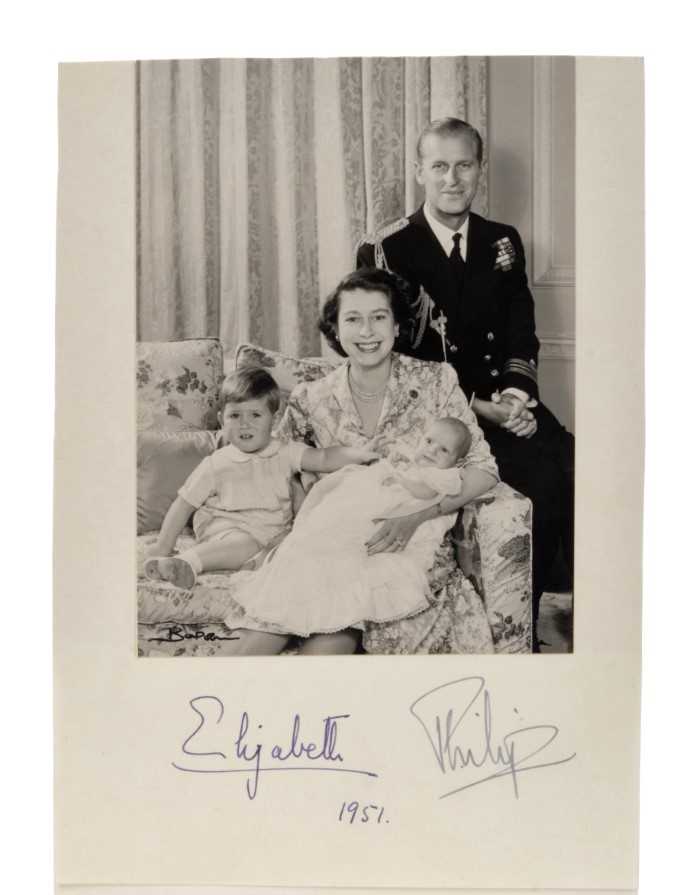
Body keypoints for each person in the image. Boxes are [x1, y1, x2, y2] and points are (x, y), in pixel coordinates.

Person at [356, 116, 574, 638]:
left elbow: (522, 328)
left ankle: (536, 618)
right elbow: (393, 357)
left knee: (569, 464)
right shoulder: (386, 250)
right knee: (537, 481)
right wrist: (480, 406)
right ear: (419, 173)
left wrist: (518, 396)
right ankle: (513, 631)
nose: (452, 179)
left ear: (478, 171)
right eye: (439, 166)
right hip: (435, 418)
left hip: (504, 398)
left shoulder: (503, 241)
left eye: (463, 166)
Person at [224, 267, 502, 656]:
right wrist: (301, 514)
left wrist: (417, 516)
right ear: (336, 329)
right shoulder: (311, 397)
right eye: (353, 319)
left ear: (397, 325)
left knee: (327, 644)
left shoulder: (437, 381)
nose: (367, 332)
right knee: (257, 637)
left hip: (398, 555)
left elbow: (485, 469)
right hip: (326, 544)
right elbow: (277, 469)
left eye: (378, 317)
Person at [227, 417, 471, 635]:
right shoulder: (413, 462)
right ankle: (295, 557)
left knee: (354, 547)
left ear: (456, 462)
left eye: (443, 450)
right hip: (373, 504)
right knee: (338, 512)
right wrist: (389, 455)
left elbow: (423, 491)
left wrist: (398, 476)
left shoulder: (443, 477)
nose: (431, 451)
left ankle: (323, 583)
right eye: (428, 441)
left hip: (395, 517)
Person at [144, 366, 378, 590]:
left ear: (274, 420)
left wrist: (361, 454)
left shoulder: (287, 452)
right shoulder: (216, 464)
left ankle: (254, 563)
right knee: (244, 544)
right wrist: (164, 545)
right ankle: (188, 562)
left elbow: (324, 458)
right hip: (225, 527)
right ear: (221, 419)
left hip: (272, 534)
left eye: (255, 414)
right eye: (234, 415)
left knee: (303, 548)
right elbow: (183, 505)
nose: (244, 424)